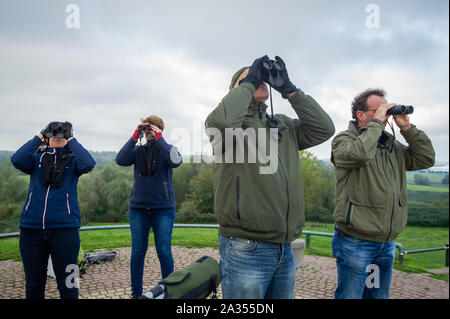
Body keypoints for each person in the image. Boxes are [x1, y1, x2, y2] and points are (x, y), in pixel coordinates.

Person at [205, 55, 335, 299]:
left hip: (284, 247)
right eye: (251, 79)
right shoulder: (230, 131)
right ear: (236, 90)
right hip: (245, 246)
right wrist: (249, 81)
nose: (258, 81)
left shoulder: (282, 125)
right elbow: (221, 120)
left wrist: (290, 90)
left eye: (260, 77)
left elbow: (324, 129)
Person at [330, 88, 435, 299]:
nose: (385, 115)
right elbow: (359, 154)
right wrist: (377, 124)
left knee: (377, 296)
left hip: (386, 243)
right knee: (350, 296)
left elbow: (425, 159)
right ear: (360, 115)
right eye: (379, 110)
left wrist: (407, 128)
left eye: (386, 110)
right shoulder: (343, 141)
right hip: (356, 241)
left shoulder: (390, 146)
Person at [10, 122, 96, 299]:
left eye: (62, 133)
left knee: (70, 283)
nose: (58, 136)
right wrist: (40, 136)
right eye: (54, 133)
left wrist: (70, 139)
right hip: (31, 230)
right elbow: (17, 159)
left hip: (66, 230)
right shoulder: (36, 159)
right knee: (34, 284)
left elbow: (88, 163)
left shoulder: (73, 162)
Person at [116, 115, 182, 298]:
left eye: (150, 129)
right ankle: (136, 294)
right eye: (145, 130)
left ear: (159, 130)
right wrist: (134, 135)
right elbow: (120, 159)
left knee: (163, 250)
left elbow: (176, 161)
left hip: (163, 209)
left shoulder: (168, 149)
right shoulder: (138, 151)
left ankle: (170, 292)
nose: (147, 133)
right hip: (138, 209)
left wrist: (160, 139)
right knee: (137, 252)